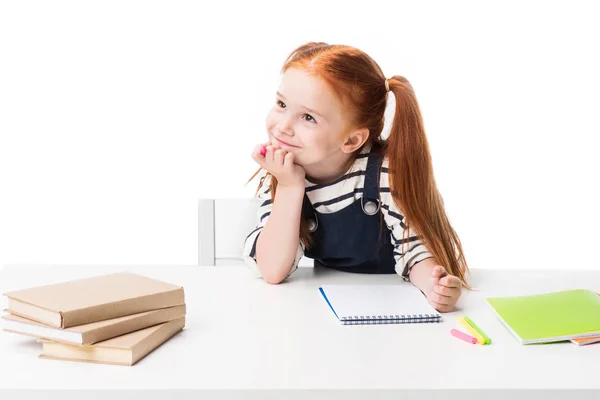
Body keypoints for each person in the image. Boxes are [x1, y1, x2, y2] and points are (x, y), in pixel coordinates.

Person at [243, 42, 469, 312]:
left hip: (392, 304)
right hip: (329, 305)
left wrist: (435, 285)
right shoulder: (282, 172)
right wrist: (291, 187)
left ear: (352, 140)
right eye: (281, 104)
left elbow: (415, 252)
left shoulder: (385, 172)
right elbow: (272, 270)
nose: (283, 126)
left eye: (308, 117)